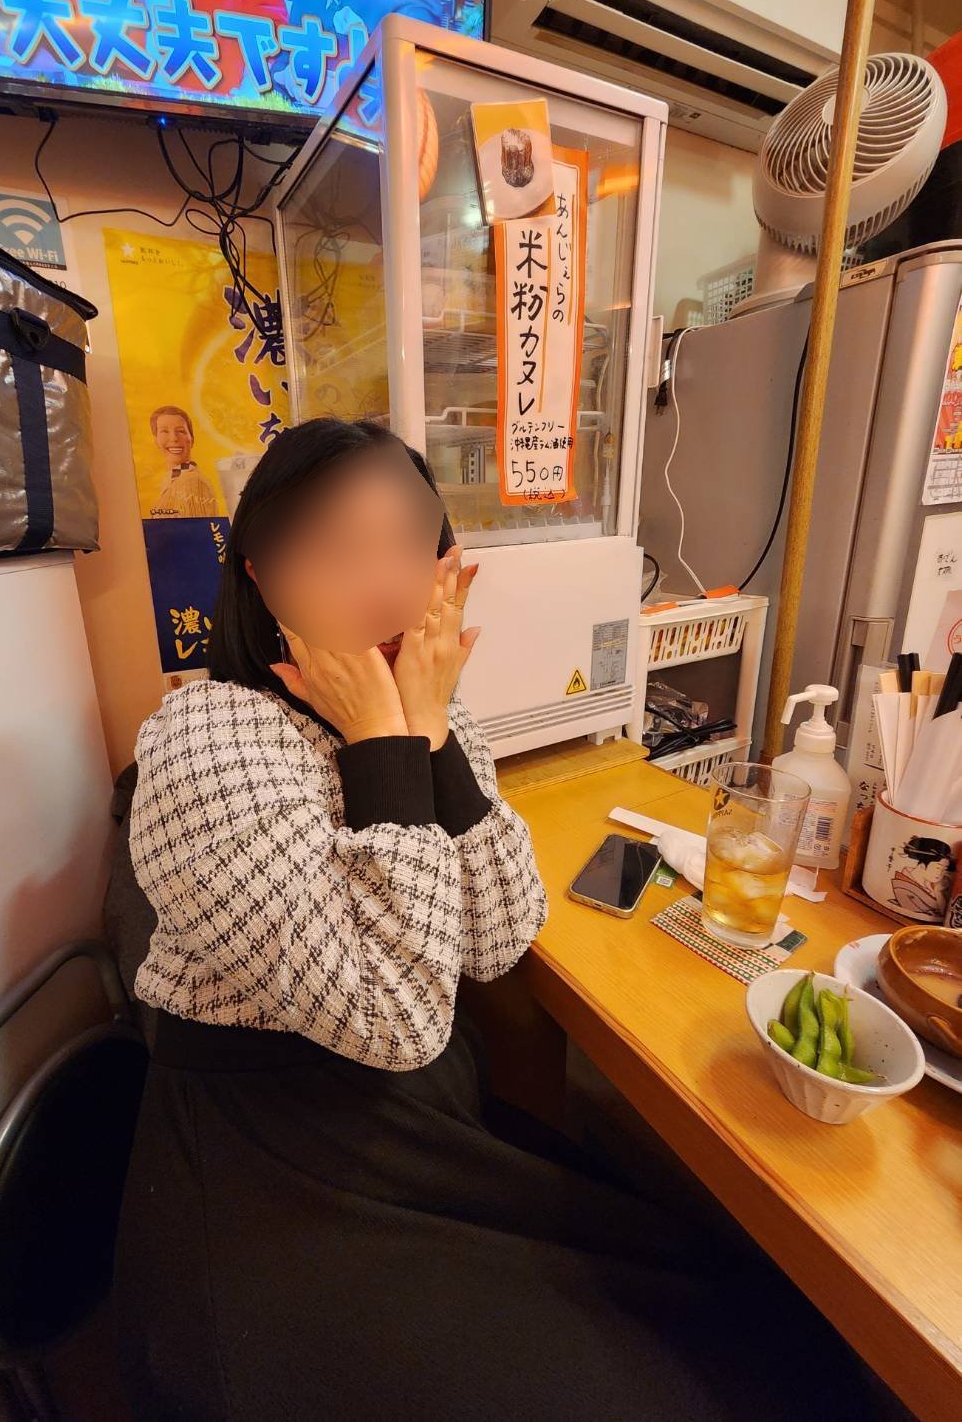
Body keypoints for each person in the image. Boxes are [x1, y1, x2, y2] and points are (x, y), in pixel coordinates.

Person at [114, 419, 907, 1420]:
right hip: (270, 1166)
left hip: (416, 1122)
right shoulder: (205, 736)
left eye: (409, 543)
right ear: (261, 576)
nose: (384, 585)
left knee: (734, 1314)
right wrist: (384, 742)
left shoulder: (423, 704)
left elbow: (499, 933)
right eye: (338, 549)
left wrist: (430, 734)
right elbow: (395, 1019)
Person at [148, 405, 218, 518]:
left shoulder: (193, 482)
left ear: (192, 439)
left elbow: (197, 527)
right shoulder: (171, 480)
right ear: (156, 440)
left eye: (181, 431)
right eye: (165, 431)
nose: (174, 438)